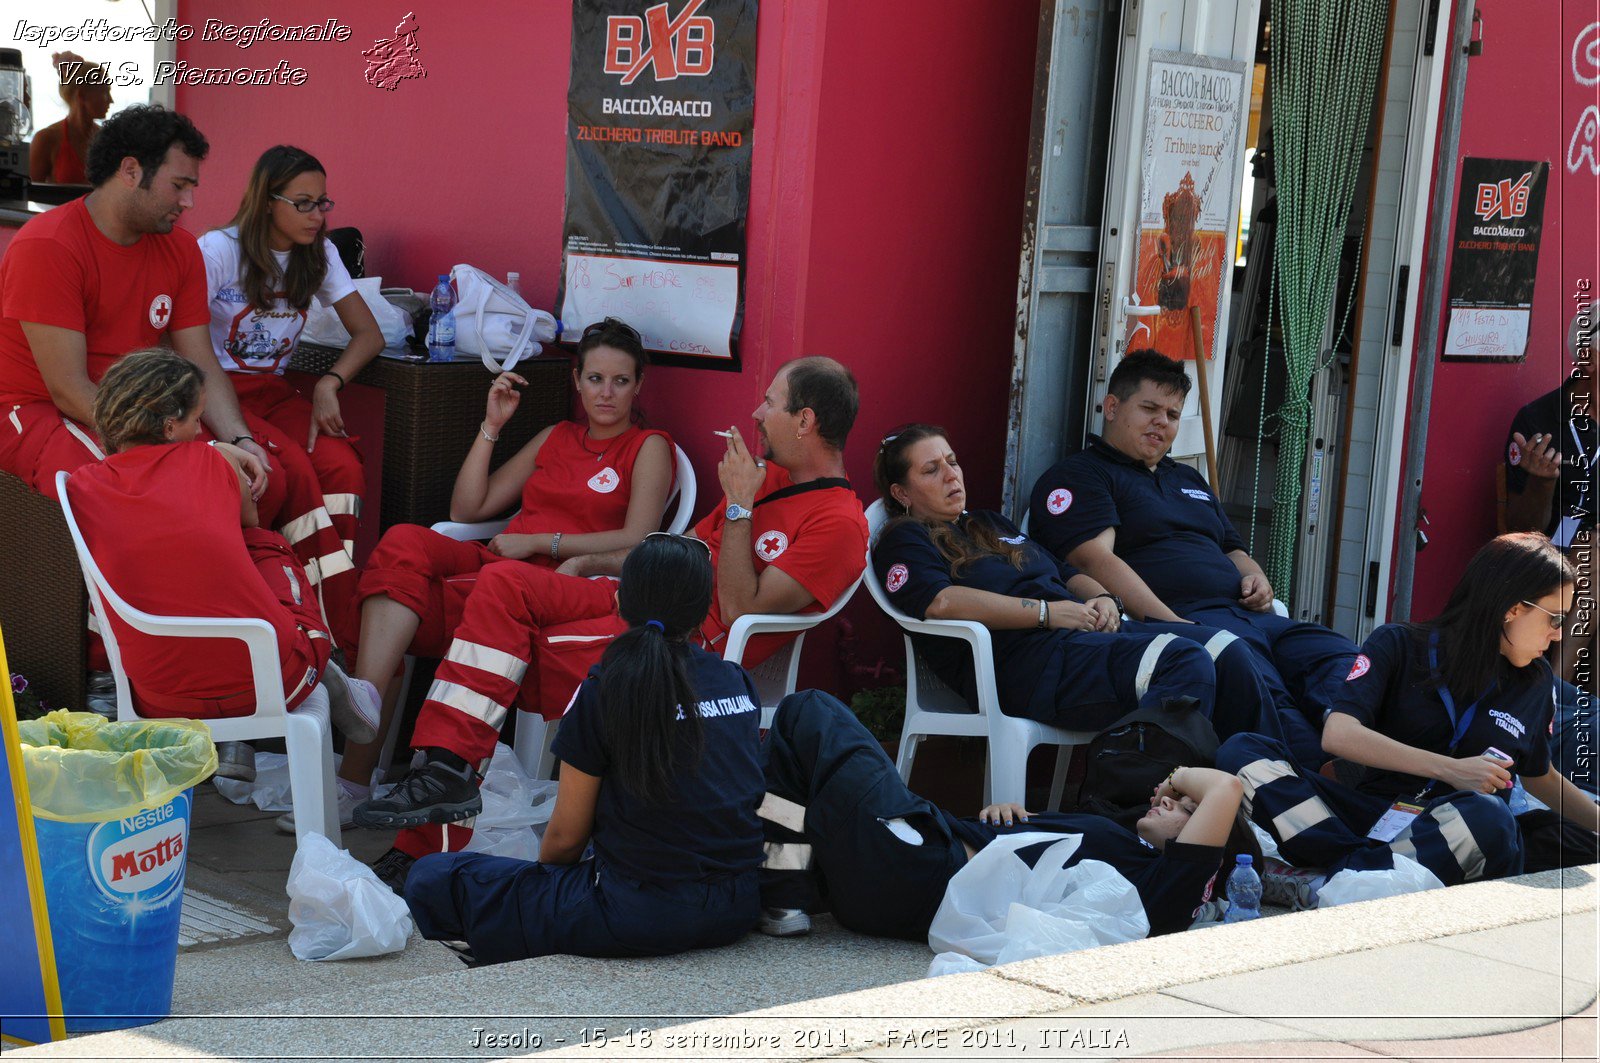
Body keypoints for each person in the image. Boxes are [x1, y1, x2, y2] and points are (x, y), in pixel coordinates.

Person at [354, 356, 869, 892]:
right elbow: (682, 550)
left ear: (805, 421)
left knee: (502, 659)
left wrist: (739, 506)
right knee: (504, 583)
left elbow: (741, 609)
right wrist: (593, 563)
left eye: (771, 401)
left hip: (670, 647)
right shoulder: (769, 478)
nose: (758, 412)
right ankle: (446, 772)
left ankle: (429, 827)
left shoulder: (839, 525)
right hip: (627, 600)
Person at [306, 317, 672, 831]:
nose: (606, 393)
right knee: (404, 542)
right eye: (595, 379)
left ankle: (357, 767)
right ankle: (362, 722)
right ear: (576, 380)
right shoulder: (555, 436)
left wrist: (544, 543)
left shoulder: (648, 446)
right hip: (504, 571)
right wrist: (491, 426)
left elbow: (640, 541)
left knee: (401, 611)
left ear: (639, 385)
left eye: (620, 381)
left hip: (564, 587)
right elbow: (468, 505)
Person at [404, 534, 763, 965]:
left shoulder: (604, 688)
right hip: (738, 906)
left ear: (621, 600)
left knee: (432, 876)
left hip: (638, 914)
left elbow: (564, 839)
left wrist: (543, 893)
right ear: (702, 610)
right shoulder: (735, 681)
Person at [873, 423, 1299, 748]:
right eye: (932, 469)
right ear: (902, 492)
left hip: (1082, 639)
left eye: (952, 461)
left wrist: (1101, 596)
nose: (952, 475)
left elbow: (1063, 571)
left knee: (1226, 651)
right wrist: (1046, 614)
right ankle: (1148, 804)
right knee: (1182, 660)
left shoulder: (987, 522)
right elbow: (940, 602)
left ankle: (1270, 787)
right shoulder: (904, 538)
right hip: (1025, 666)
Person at [1217, 533, 1599, 893]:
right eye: (1556, 619)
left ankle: (1338, 877)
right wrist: (1450, 769)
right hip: (1370, 814)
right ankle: (1360, 872)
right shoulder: (1399, 643)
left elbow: (1540, 776)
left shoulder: (1535, 682)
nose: (1559, 634)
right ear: (1512, 609)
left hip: (1452, 826)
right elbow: (1338, 734)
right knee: (1243, 752)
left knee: (1497, 820)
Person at [1028, 349, 1357, 766]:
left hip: (1253, 615)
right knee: (1264, 682)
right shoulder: (1082, 475)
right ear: (1112, 407)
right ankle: (1307, 784)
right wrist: (1174, 624)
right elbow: (1096, 562)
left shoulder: (1186, 477)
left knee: (1337, 656)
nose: (1161, 422)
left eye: (1172, 413)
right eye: (1149, 408)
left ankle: (1354, 751)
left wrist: (1257, 579)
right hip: (1188, 618)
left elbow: (1232, 547)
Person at [61, 349, 379, 737]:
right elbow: (248, 520)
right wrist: (225, 452)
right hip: (273, 684)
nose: (200, 432)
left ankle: (234, 742)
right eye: (196, 420)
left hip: (156, 697)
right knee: (261, 542)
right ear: (169, 428)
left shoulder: (80, 486)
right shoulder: (213, 464)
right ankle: (323, 661)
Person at [757, 689, 1247, 941]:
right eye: (1174, 795)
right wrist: (1021, 817)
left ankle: (782, 894)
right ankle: (785, 892)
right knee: (803, 760)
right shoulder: (1134, 854)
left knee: (809, 711)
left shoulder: (1168, 892)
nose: (1167, 798)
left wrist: (1179, 773)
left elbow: (1226, 787)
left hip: (919, 869)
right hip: (920, 855)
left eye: (1184, 808)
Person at [200, 145, 383, 627]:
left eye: (323, 203)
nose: (318, 216)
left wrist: (330, 382)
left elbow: (370, 334)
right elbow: (183, 341)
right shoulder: (218, 249)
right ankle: (304, 611)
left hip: (273, 391)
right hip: (215, 391)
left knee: (342, 464)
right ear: (266, 202)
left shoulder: (319, 252)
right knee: (294, 470)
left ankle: (329, 594)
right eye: (303, 203)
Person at [1502, 306, 1596, 792]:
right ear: (1589, 357)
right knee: (1594, 552)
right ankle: (1552, 701)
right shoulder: (1542, 419)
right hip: (1547, 562)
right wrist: (1540, 483)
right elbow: (1516, 532)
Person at [28, 52, 112, 185]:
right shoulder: (46, 139)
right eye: (105, 92)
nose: (111, 100)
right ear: (82, 95)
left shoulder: (106, 139)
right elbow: (28, 196)